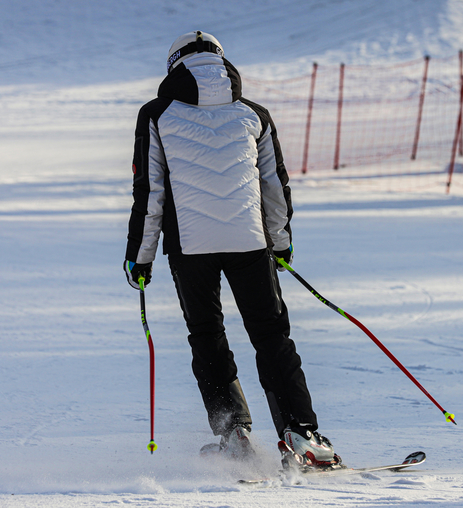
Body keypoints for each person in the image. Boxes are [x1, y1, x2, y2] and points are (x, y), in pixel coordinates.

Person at [123, 30, 338, 466]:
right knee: (272, 337)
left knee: (207, 337)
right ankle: (302, 436)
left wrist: (140, 257)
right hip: (251, 243)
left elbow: (150, 193)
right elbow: (274, 186)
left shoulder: (156, 114)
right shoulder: (253, 114)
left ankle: (233, 433)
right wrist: (280, 243)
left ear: (174, 66)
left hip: (190, 249)